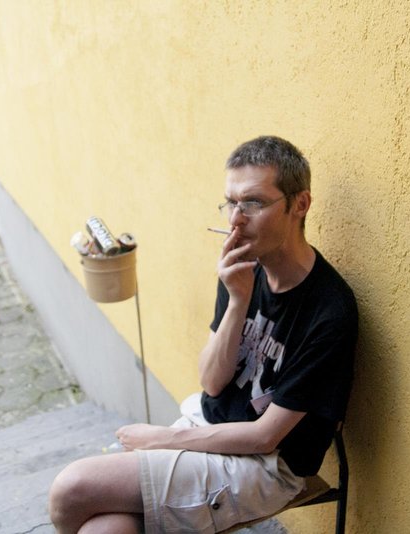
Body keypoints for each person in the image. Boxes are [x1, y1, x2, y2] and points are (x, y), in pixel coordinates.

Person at [49, 136, 358, 534]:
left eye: (253, 202)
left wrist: (162, 439)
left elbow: (265, 437)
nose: (236, 220)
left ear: (300, 204)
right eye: (231, 202)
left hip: (267, 466)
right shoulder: (244, 269)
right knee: (105, 530)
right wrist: (237, 301)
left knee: (71, 489)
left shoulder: (329, 311)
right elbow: (211, 382)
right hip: (210, 427)